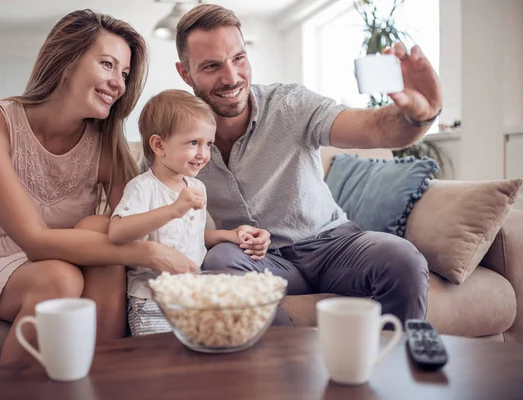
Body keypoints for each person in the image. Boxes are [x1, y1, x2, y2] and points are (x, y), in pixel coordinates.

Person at [0, 9, 198, 366]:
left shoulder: (107, 146)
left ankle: (104, 378)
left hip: (77, 266)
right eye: (107, 65)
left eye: (124, 74)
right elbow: (34, 240)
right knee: (61, 278)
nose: (119, 84)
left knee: (103, 233)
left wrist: (217, 235)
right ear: (66, 60)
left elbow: (136, 227)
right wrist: (148, 254)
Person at [173, 4, 443, 323]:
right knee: (220, 263)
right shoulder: (175, 139)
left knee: (402, 259)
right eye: (211, 66)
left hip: (332, 246)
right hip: (259, 260)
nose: (231, 77)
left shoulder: (291, 105)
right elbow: (154, 211)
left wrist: (418, 114)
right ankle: (290, 364)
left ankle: (393, 363)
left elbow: (375, 127)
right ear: (185, 73)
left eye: (239, 59)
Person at [108, 89, 268, 336]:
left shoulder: (196, 187)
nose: (203, 154)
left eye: (209, 144)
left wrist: (228, 235)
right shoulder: (142, 187)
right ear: (159, 145)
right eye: (194, 143)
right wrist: (172, 210)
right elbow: (117, 233)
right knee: (160, 363)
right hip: (152, 300)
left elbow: (190, 236)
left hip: (193, 296)